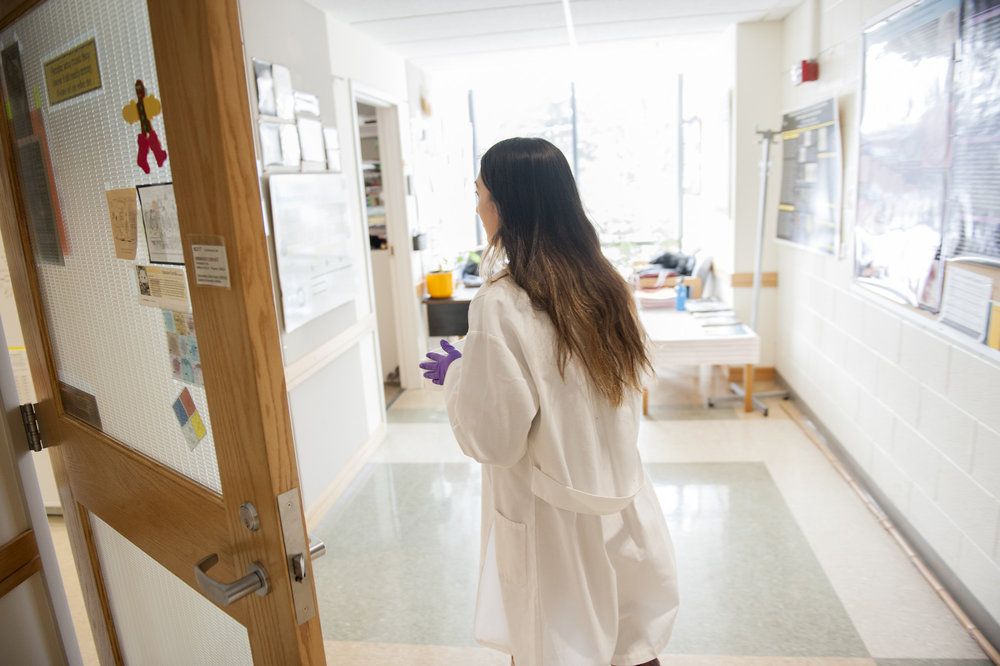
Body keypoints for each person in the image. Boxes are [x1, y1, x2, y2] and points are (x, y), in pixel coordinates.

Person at [420, 137, 678, 665]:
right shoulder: (606, 285)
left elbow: (495, 437)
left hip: (551, 521)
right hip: (621, 501)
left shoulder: (499, 302)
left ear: (507, 206)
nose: (477, 208)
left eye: (480, 195)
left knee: (557, 646)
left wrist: (458, 377)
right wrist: (476, 368)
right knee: (633, 645)